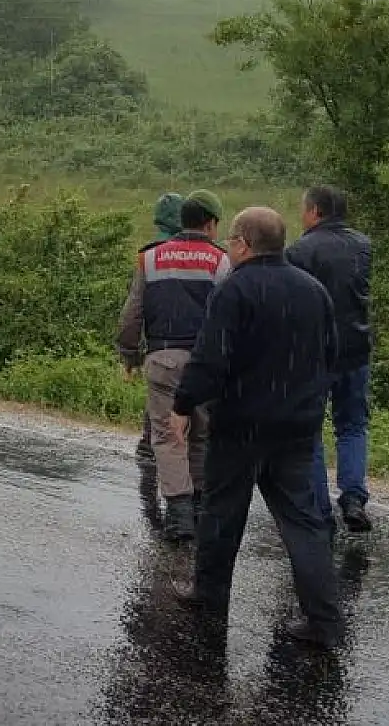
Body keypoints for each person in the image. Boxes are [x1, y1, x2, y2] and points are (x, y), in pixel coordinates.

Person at [171, 207, 345, 648]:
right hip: (297, 428)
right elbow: (331, 356)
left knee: (222, 512)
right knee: (303, 523)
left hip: (241, 423)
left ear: (244, 243)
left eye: (232, 240)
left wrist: (183, 404)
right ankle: (324, 620)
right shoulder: (314, 291)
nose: (230, 247)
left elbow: (211, 357)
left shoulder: (236, 289)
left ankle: (210, 593)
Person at [116, 197, 231, 541]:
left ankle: (179, 516)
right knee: (201, 432)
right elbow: (230, 315)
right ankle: (197, 505)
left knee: (167, 436)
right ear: (211, 223)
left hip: (163, 359)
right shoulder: (221, 260)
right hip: (206, 362)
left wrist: (129, 354)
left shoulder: (150, 258)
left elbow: (132, 313)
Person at [287, 185, 375, 534]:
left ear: (316, 212)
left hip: (315, 352)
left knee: (310, 430)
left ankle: (320, 511)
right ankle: (353, 497)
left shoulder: (301, 250)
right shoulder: (363, 245)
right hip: (356, 347)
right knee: (352, 425)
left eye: (304, 208)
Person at [135, 192, 188, 463]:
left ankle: (148, 446)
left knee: (158, 395)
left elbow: (136, 305)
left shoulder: (148, 254)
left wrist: (130, 350)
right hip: (192, 340)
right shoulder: (200, 254)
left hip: (157, 341)